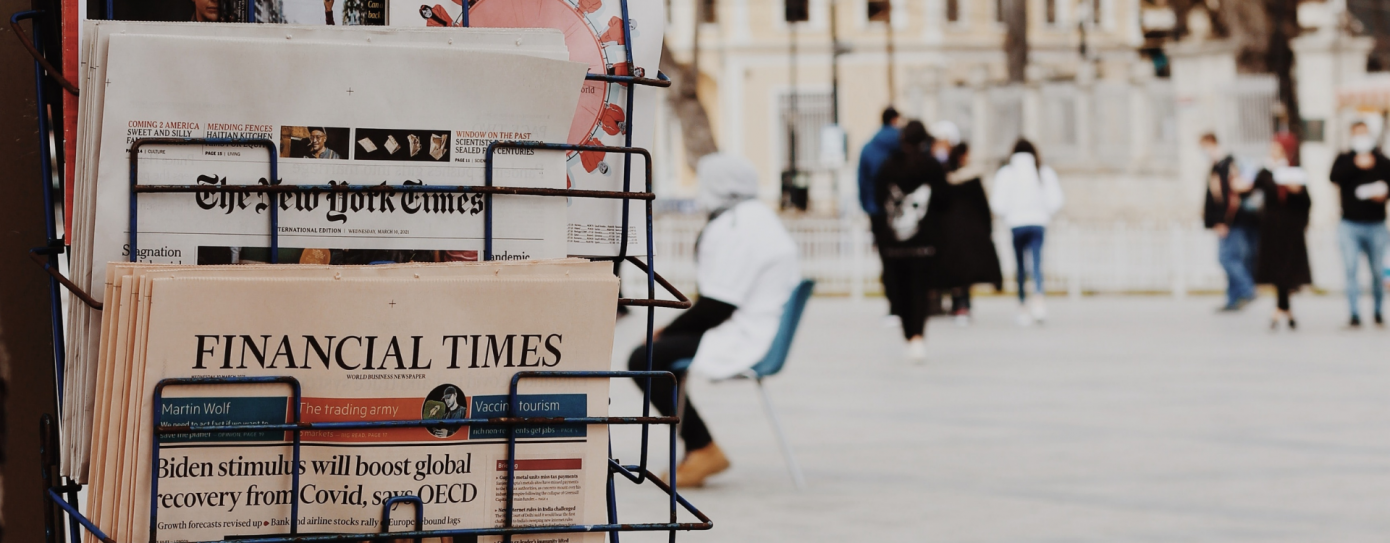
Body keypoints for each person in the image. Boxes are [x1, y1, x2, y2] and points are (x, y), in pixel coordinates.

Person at [626, 153, 800, 488]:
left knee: (644, 358)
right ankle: (698, 447)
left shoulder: (736, 225)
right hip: (757, 326)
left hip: (745, 333)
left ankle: (702, 447)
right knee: (658, 356)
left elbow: (718, 305)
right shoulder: (758, 217)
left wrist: (665, 331)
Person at [874, 121, 946, 361]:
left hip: (893, 245)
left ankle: (908, 335)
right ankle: (918, 336)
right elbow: (944, 203)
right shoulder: (933, 167)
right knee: (920, 291)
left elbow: (877, 201)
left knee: (901, 291)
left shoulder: (887, 167)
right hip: (924, 244)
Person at [928, 141, 1003, 327]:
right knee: (964, 271)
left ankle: (956, 304)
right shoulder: (971, 179)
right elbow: (983, 207)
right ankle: (962, 305)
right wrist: (986, 229)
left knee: (953, 270)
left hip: (949, 232)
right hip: (968, 232)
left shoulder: (944, 178)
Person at [990, 139, 1064, 326]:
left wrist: (1008, 214)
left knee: (1020, 266)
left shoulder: (1007, 172)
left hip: (1016, 223)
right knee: (1037, 263)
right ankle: (1039, 301)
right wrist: (1045, 212)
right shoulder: (1042, 171)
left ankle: (1022, 305)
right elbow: (1055, 199)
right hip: (1038, 222)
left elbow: (998, 202)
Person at [1328, 121, 1390, 327]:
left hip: (1376, 224)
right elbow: (1333, 177)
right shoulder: (1345, 158)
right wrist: (1356, 165)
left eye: (1364, 133)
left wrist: (1383, 194)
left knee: (1377, 271)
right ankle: (1354, 314)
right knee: (1351, 269)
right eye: (1357, 134)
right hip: (1350, 225)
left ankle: (1378, 312)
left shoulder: (1381, 159)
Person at [1252, 140, 1312, 330]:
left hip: (1291, 228)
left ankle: (1281, 308)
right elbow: (1259, 188)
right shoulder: (1264, 172)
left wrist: (1296, 191)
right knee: (1277, 268)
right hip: (1272, 228)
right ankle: (1284, 308)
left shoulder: (1295, 172)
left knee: (1289, 268)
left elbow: (1307, 201)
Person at [1201, 133, 1260, 312]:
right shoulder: (1218, 166)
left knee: (1227, 258)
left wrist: (1222, 221)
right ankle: (1232, 299)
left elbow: (1227, 197)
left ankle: (1247, 289)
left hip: (1231, 222)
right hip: (1231, 221)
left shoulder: (1225, 166)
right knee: (1232, 258)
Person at [859, 107, 903, 325]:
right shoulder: (903, 144)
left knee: (887, 260)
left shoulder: (869, 148)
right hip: (904, 211)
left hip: (878, 212)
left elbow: (862, 183)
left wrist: (870, 209)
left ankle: (893, 305)